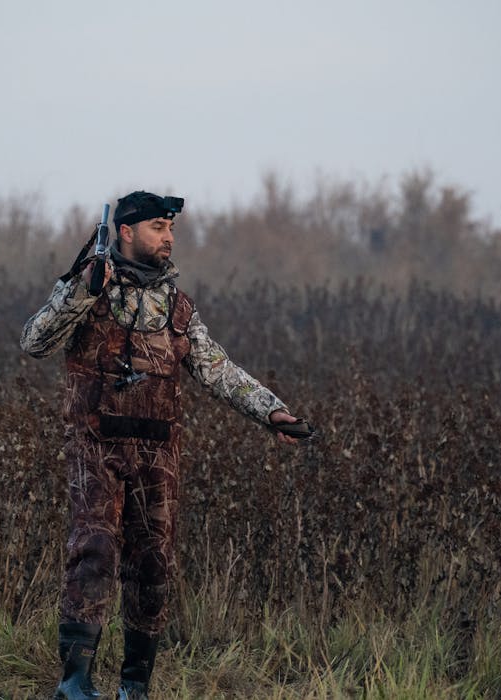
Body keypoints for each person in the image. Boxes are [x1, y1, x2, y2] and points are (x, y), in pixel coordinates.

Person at [20, 191, 302, 699]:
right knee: (94, 553)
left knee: (153, 566)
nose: (169, 237)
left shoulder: (177, 306)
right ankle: (75, 684)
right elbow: (34, 341)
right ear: (126, 232)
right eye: (157, 227)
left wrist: (272, 412)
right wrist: (81, 290)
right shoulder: (89, 287)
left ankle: (135, 688)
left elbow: (218, 369)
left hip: (158, 456)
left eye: (170, 228)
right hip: (96, 448)